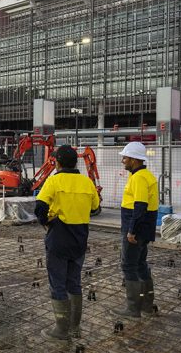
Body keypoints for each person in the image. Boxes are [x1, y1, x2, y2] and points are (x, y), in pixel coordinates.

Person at [34, 145, 100, 342]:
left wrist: (46, 222)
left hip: (59, 237)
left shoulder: (54, 180)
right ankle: (74, 328)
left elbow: (40, 207)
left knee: (58, 283)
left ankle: (61, 330)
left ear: (58, 163)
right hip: (80, 238)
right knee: (74, 282)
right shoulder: (87, 182)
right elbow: (95, 207)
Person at [112, 141, 159, 319]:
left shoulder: (139, 178)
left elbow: (140, 205)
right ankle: (146, 305)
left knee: (129, 265)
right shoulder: (145, 175)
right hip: (144, 227)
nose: (123, 160)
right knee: (140, 264)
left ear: (133, 159)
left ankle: (133, 309)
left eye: (125, 157)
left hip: (136, 227)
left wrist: (132, 231)